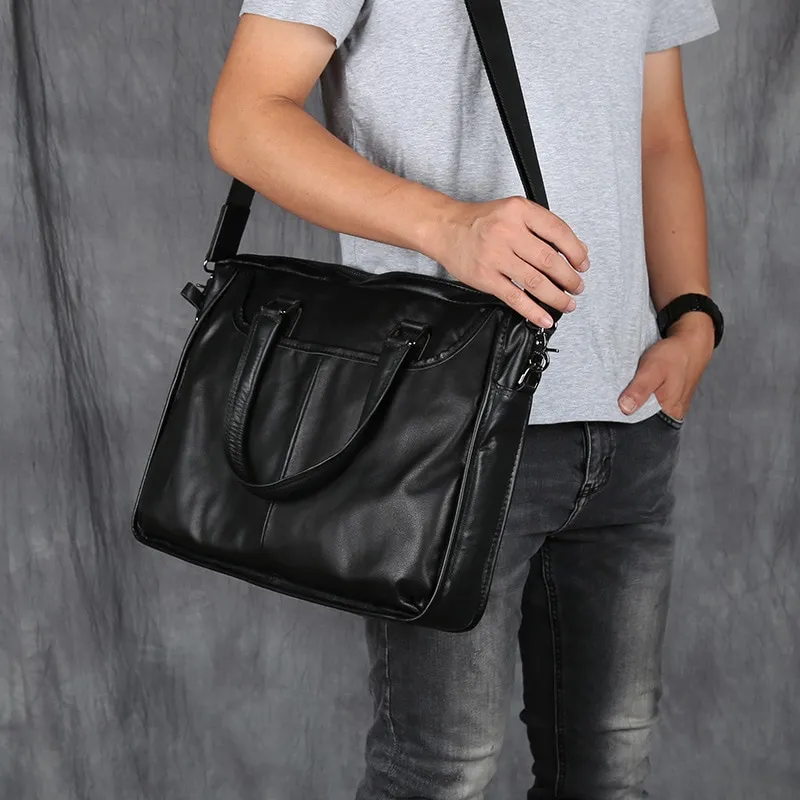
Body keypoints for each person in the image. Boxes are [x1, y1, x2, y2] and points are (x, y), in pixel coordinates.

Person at [208, 1, 724, 797]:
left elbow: (658, 134)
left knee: (610, 775)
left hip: (628, 427)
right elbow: (246, 117)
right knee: (441, 774)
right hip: (445, 426)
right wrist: (447, 226)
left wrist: (692, 315)